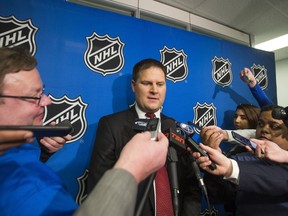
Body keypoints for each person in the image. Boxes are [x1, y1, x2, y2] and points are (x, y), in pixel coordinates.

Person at [0, 47, 171, 216]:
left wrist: (43, 153)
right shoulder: (26, 183)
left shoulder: (173, 126)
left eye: (42, 91)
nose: (47, 100)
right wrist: (132, 167)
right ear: (134, 86)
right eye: (34, 96)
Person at [87, 58, 201, 216]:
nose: (154, 90)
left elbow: (191, 188)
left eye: (160, 84)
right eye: (147, 83)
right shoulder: (111, 125)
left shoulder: (174, 127)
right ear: (134, 86)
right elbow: (98, 185)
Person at [196, 104, 288, 216]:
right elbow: (216, 196)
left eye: (274, 126)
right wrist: (214, 164)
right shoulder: (241, 158)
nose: (264, 129)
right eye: (260, 124)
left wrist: (231, 169)